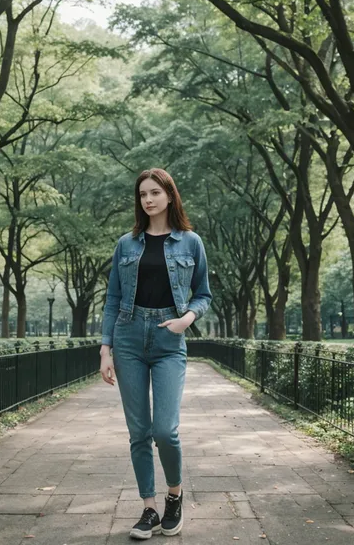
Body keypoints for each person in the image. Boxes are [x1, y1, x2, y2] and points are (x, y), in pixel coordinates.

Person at [99, 168, 212, 540]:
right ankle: (148, 508)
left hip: (168, 339)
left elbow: (203, 294)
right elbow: (113, 298)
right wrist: (106, 349)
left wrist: (187, 319)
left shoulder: (190, 242)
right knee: (138, 431)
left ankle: (174, 496)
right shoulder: (126, 244)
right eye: (143, 194)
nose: (148, 199)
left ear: (169, 195)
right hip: (128, 337)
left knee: (165, 430)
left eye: (155, 192)